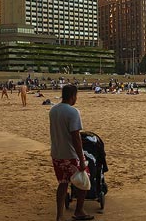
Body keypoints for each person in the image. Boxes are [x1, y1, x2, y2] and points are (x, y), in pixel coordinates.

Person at [49, 84, 93, 221]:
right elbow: (76, 137)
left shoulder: (53, 110)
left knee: (63, 183)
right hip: (70, 154)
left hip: (57, 153)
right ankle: (79, 210)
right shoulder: (73, 112)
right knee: (84, 181)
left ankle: (59, 216)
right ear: (73, 96)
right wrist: (81, 157)